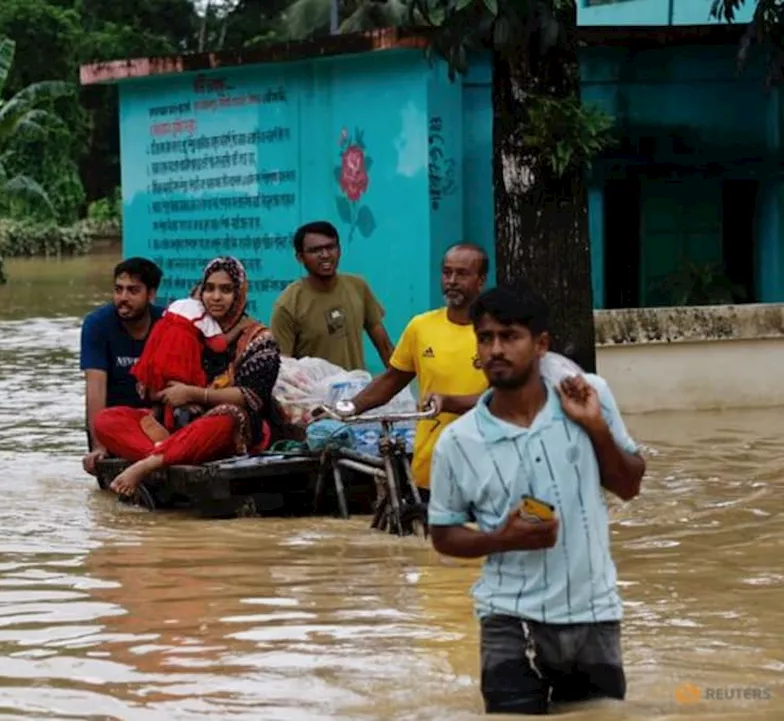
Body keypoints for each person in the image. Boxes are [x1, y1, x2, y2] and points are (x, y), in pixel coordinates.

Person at [428, 282, 646, 715]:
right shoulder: (458, 442)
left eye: (509, 337)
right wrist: (501, 539)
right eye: (486, 337)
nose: (495, 350)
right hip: (507, 617)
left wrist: (595, 428)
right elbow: (443, 535)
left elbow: (629, 485)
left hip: (593, 613)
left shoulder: (589, 396)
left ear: (541, 344)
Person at [94, 256, 283, 497]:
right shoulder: (186, 328)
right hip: (175, 428)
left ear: (239, 294)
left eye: (225, 290)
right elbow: (148, 385)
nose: (215, 297)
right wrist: (163, 391)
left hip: (231, 430)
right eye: (209, 289)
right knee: (107, 420)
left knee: (227, 417)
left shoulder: (259, 339)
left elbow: (252, 397)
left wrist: (194, 394)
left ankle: (149, 463)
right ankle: (172, 453)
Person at [344, 243, 491, 499]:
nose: (452, 281)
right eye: (447, 273)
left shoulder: (497, 333)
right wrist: (347, 408)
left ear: (481, 280)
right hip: (430, 468)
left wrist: (448, 402)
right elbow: (392, 380)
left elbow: (504, 399)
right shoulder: (421, 327)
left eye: (462, 274)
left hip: (486, 470)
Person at [270, 220, 395, 371]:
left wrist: (401, 389)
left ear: (339, 250)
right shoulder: (288, 304)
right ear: (300, 258)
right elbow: (284, 368)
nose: (325, 255)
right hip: (314, 394)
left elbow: (384, 346)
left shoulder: (358, 286)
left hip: (359, 392)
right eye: (315, 250)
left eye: (330, 247)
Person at [80, 257, 164, 475]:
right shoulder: (97, 324)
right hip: (112, 424)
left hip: (155, 420)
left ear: (151, 294)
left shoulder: (166, 323)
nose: (123, 298)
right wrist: (99, 447)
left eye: (133, 291)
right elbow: (95, 387)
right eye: (118, 290)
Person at [131, 295, 245, 436]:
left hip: (156, 354)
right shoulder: (202, 313)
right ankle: (171, 432)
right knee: (181, 393)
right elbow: (219, 344)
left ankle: (155, 416)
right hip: (181, 362)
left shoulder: (177, 303)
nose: (216, 297)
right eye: (209, 289)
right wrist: (239, 328)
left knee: (161, 391)